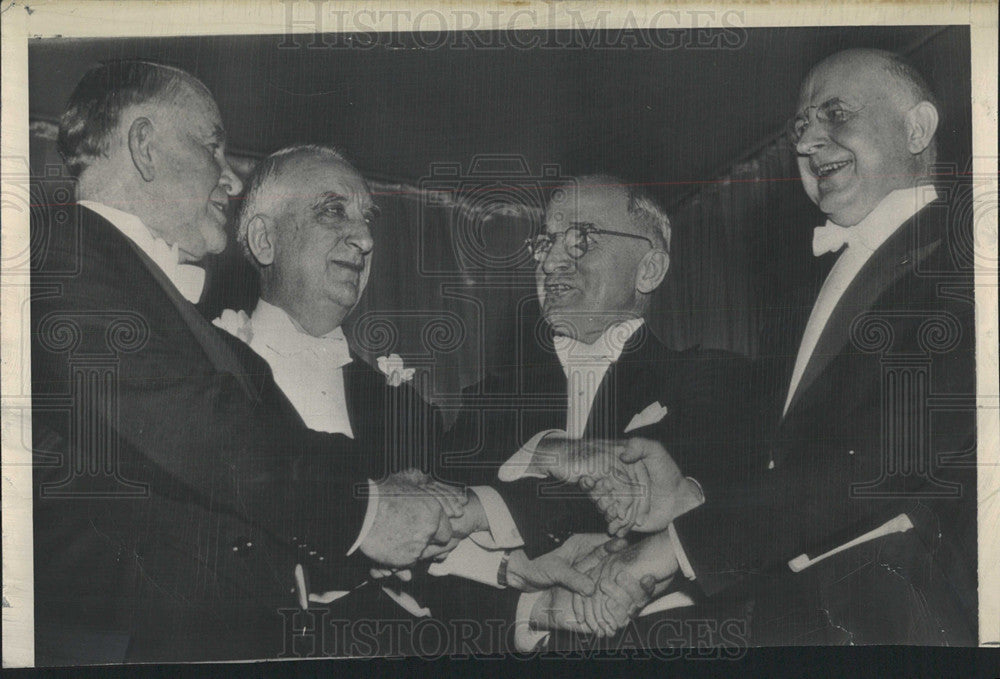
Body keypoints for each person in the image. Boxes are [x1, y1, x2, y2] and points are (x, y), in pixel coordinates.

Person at [30, 61, 466, 664]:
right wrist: (366, 507)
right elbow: (194, 430)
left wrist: (440, 503)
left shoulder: (207, 340)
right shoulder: (59, 251)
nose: (231, 181)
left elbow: (285, 446)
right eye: (212, 146)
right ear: (144, 147)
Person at [566, 48, 977, 645]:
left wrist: (672, 549)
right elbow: (792, 462)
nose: (810, 142)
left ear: (917, 127)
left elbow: (884, 458)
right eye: (801, 127)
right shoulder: (799, 298)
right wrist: (690, 496)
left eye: (835, 114)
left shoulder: (969, 261)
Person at [436, 175, 752, 651]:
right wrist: (546, 451)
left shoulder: (714, 379)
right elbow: (423, 546)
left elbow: (720, 515)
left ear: (649, 269)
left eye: (582, 238)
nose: (551, 260)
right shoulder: (485, 402)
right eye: (546, 241)